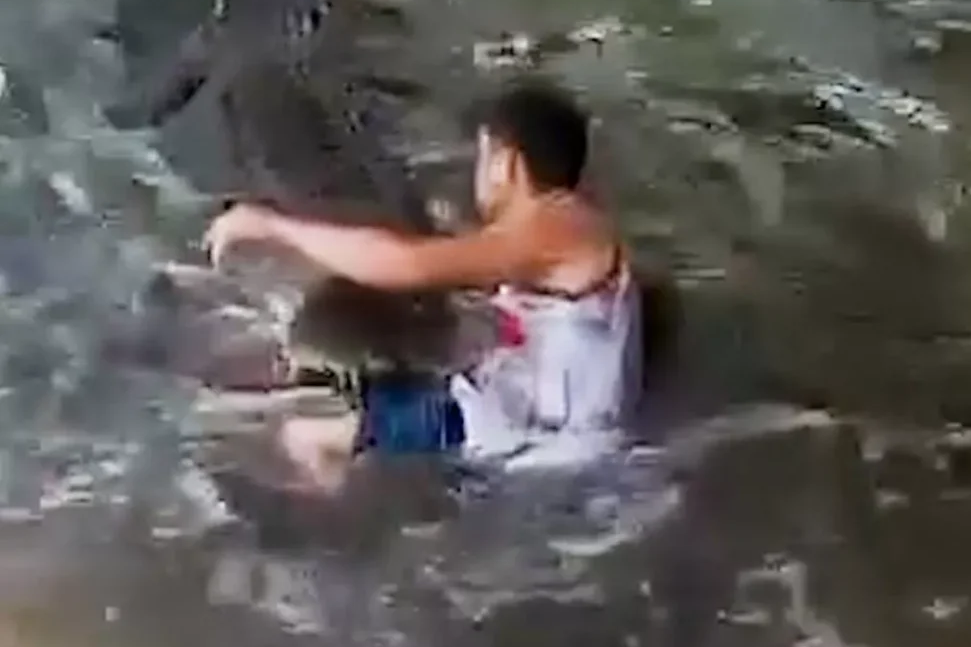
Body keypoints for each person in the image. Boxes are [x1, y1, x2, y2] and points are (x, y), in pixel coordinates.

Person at [203, 76, 643, 491]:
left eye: (482, 158)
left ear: (505, 164)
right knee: (330, 383)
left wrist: (271, 227)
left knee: (304, 436)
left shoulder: (555, 227)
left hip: (531, 443)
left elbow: (405, 264)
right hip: (530, 419)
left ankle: (345, 527)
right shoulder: (568, 226)